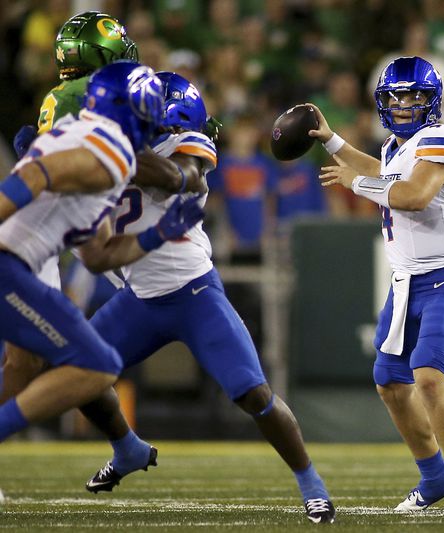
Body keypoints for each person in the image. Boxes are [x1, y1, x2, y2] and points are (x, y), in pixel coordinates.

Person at [76, 72, 335, 525]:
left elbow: (187, 179)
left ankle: (311, 483)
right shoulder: (111, 146)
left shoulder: (183, 145)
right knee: (74, 371)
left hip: (193, 293)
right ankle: (129, 450)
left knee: (254, 394)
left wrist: (108, 148)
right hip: (138, 298)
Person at [310, 56, 444, 512]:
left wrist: (357, 184)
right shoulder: (393, 147)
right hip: (406, 282)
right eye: (395, 97)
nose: (404, 104)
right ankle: (434, 479)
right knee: (389, 382)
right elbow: (381, 170)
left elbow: (413, 195)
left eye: (413, 96)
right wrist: (331, 141)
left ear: (432, 101)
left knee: (428, 378)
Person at [0, 61, 201, 443]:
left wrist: (157, 235)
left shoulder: (88, 136)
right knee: (93, 365)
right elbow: (36, 175)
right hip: (9, 263)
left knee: (57, 363)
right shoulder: (112, 150)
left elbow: (97, 255)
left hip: (17, 267)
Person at [4, 10, 140, 409]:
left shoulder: (64, 95)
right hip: (56, 227)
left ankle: (126, 446)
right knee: (66, 357)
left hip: (59, 224)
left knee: (32, 358)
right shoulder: (90, 93)